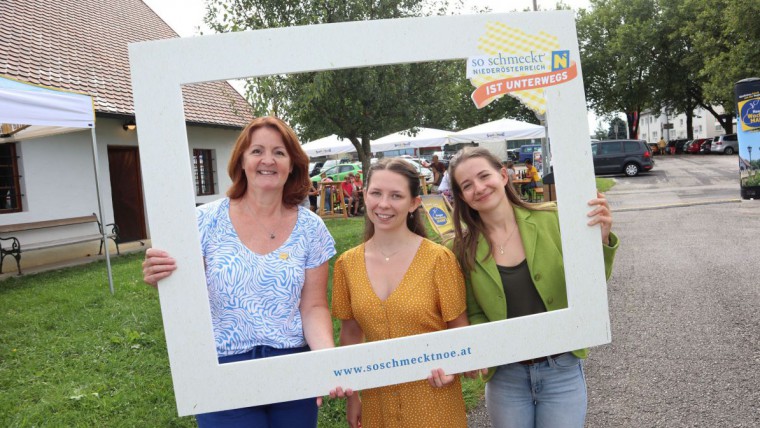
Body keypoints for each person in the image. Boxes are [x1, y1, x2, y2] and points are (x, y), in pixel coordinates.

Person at [142, 116, 337, 428]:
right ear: (242, 161)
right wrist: (164, 279)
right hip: (222, 369)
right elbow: (185, 293)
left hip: (291, 368)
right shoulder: (202, 222)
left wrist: (326, 361)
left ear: (292, 165)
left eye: (279, 152)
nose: (268, 160)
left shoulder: (311, 228)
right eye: (257, 151)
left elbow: (313, 306)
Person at [448, 147, 619, 428]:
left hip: (561, 369)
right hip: (506, 376)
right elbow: (474, 312)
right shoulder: (461, 249)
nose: (478, 188)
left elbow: (591, 287)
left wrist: (598, 242)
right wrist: (477, 349)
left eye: (483, 176)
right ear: (462, 196)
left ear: (503, 175)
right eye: (467, 185)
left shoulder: (553, 220)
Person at [331, 158, 471, 428]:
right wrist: (353, 396)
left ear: (414, 203)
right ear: (364, 195)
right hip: (377, 402)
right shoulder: (346, 265)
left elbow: (460, 334)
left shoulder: (438, 260)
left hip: (433, 402)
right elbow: (349, 336)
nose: (383, 204)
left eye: (396, 195)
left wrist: (453, 368)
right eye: (376, 193)